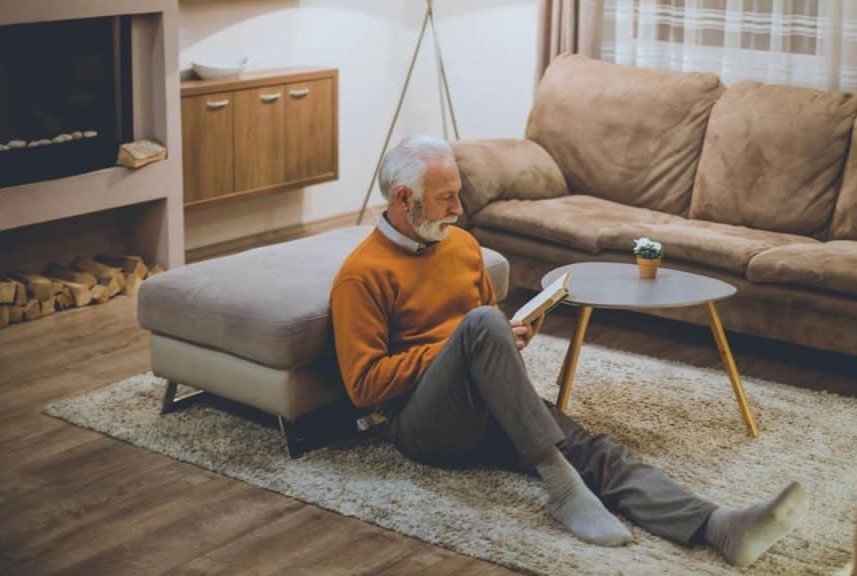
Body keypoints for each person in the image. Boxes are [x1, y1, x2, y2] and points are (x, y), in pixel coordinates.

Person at [330, 135, 807, 566]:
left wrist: (509, 338)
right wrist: (462, 342)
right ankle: (561, 486)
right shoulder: (362, 273)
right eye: (445, 197)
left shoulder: (463, 246)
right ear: (403, 199)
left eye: (458, 191)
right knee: (479, 324)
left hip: (485, 403)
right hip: (422, 426)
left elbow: (484, 335)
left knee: (595, 449)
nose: (460, 206)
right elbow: (364, 385)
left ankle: (719, 527)